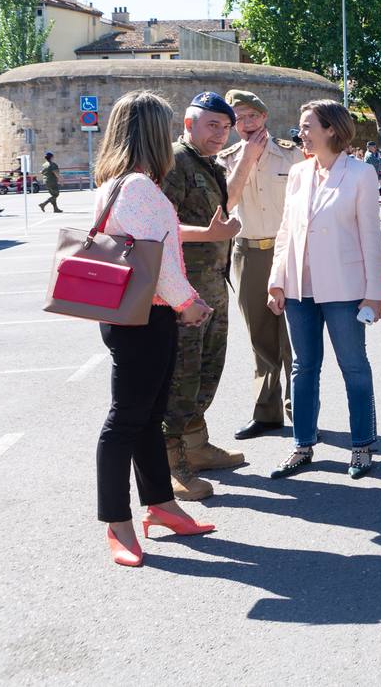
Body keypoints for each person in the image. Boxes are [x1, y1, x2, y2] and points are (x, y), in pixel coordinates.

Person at [89, 91, 215, 567]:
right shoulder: (139, 188)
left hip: (131, 313)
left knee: (144, 415)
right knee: (126, 419)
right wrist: (189, 303)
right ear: (151, 135)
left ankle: (161, 505)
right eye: (165, 128)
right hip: (146, 315)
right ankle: (117, 523)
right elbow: (156, 258)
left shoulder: (115, 183)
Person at [266, 100, 381, 479]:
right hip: (300, 288)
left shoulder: (360, 173)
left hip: (346, 287)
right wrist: (277, 280)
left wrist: (375, 291)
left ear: (331, 130)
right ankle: (302, 445)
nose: (300, 132)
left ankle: (362, 445)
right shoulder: (299, 172)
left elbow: (371, 235)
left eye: (307, 126)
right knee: (304, 368)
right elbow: (286, 231)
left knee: (353, 365)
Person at [160, 92, 245, 500]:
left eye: (225, 128)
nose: (220, 134)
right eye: (213, 125)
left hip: (213, 284)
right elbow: (161, 225)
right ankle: (172, 463)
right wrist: (210, 235)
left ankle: (196, 445)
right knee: (183, 376)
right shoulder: (174, 162)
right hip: (185, 293)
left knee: (208, 371)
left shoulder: (208, 163)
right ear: (189, 124)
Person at [217, 90, 298, 441]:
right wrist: (247, 160)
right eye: (239, 118)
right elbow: (226, 203)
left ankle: (302, 410)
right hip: (249, 252)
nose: (247, 124)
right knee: (260, 337)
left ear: (264, 117)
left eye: (252, 116)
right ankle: (266, 412)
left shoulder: (293, 154)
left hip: (289, 253)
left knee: (294, 337)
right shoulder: (225, 159)